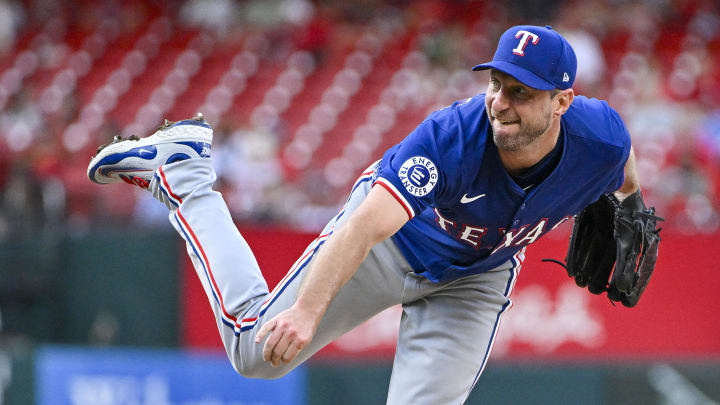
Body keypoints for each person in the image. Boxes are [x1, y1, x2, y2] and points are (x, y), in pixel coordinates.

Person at [88, 25, 649, 404]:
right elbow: (367, 224)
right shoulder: (452, 137)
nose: (500, 102)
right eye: (496, 84)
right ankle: (184, 175)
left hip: (477, 277)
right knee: (257, 353)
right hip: (394, 242)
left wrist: (630, 207)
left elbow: (623, 173)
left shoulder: (600, 138)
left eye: (521, 93)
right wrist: (308, 312)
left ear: (562, 101)